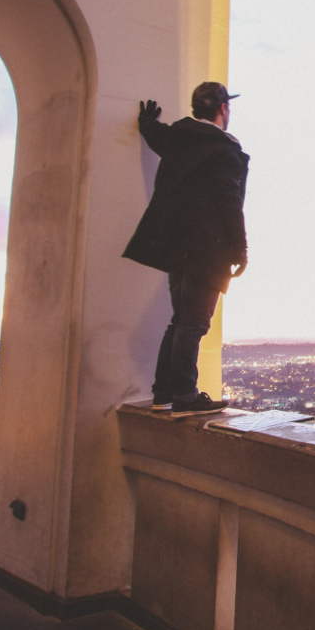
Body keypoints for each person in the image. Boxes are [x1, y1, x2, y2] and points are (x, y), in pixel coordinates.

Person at [123, 82, 249, 417]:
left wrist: (147, 123)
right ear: (222, 109)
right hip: (209, 247)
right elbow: (229, 202)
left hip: (175, 246)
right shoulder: (224, 149)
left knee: (180, 319)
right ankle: (183, 393)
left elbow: (157, 137)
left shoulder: (180, 136)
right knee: (194, 323)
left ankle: (164, 392)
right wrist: (240, 249)